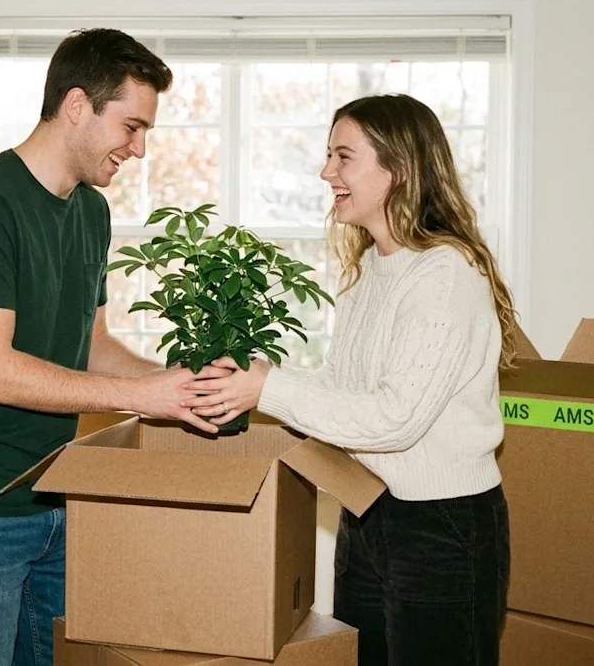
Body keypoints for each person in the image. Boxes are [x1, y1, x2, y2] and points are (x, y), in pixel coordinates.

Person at [0, 28, 230, 666]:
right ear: (77, 105)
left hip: (55, 496)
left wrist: (177, 382)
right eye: (131, 127)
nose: (138, 149)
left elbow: (91, 346)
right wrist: (142, 399)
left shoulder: (90, 213)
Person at [183, 94, 518, 665]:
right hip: (366, 511)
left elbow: (395, 418)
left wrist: (267, 389)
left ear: (399, 170)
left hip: (443, 526)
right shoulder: (367, 272)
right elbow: (344, 387)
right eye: (328, 156)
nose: (326, 172)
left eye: (344, 157)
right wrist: (259, 378)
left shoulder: (445, 275)